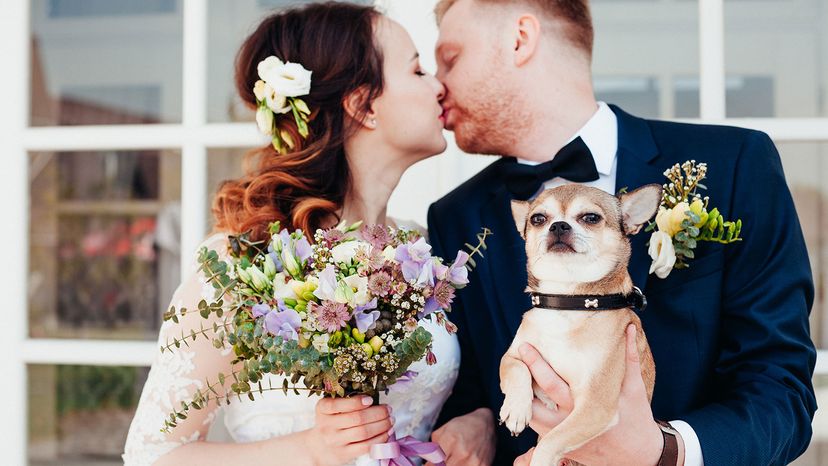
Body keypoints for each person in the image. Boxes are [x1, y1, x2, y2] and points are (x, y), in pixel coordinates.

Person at [426, 0, 816, 465]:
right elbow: (471, 382)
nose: (436, 83)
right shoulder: (455, 217)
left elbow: (780, 386)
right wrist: (480, 422)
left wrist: (664, 450)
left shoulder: (733, 164)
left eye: (450, 59)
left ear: (520, 39)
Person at [122, 3, 479, 465]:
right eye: (416, 70)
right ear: (362, 105)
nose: (438, 86)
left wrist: (480, 420)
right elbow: (152, 454)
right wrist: (309, 450)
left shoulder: (422, 251)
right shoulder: (242, 264)